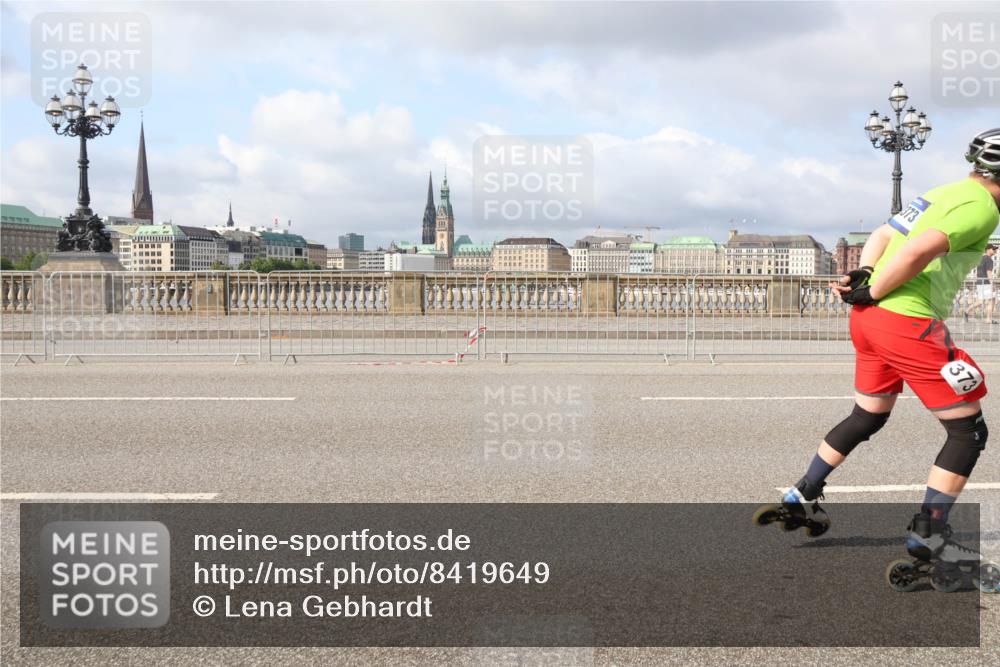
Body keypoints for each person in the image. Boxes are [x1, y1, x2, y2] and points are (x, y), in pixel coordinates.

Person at [756, 129, 1000, 569]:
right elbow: (920, 250)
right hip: (907, 322)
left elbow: (886, 233)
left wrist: (864, 277)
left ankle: (801, 493)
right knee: (968, 432)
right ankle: (930, 537)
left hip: (870, 323)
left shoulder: (944, 192)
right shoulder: (984, 208)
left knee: (867, 415)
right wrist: (874, 289)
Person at [964, 244, 996, 323]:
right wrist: (992, 284)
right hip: (986, 283)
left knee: (980, 301)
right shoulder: (989, 259)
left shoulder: (980, 259)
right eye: (993, 249)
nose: (995, 250)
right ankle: (988, 319)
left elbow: (977, 273)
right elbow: (989, 273)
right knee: (991, 300)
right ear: (988, 250)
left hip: (980, 282)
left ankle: (966, 311)